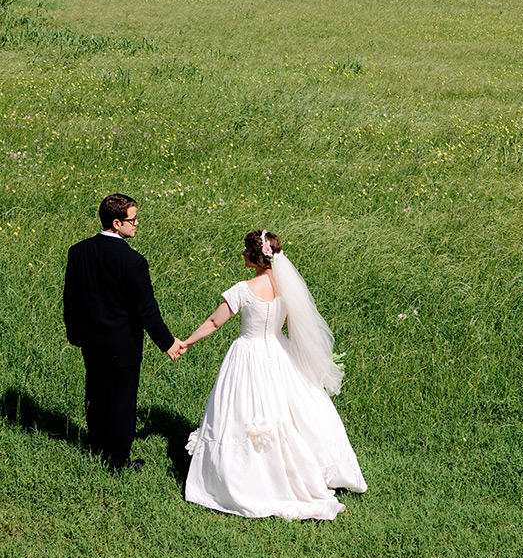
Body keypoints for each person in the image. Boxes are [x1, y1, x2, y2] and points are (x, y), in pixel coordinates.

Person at [182, 230, 366, 520]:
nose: (242, 254)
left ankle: (251, 479)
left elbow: (215, 322)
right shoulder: (287, 288)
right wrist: (309, 366)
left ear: (256, 258)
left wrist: (185, 343)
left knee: (242, 411)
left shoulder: (243, 289)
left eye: (245, 251)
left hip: (248, 353)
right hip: (281, 353)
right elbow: (297, 329)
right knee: (287, 411)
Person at [63, 193, 185, 472]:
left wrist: (74, 333)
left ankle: (96, 448)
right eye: (132, 219)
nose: (137, 223)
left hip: (91, 339)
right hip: (124, 343)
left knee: (95, 395)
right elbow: (147, 310)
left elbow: (71, 297)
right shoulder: (133, 261)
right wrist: (168, 343)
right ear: (117, 223)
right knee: (121, 402)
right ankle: (117, 461)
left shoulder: (78, 251)